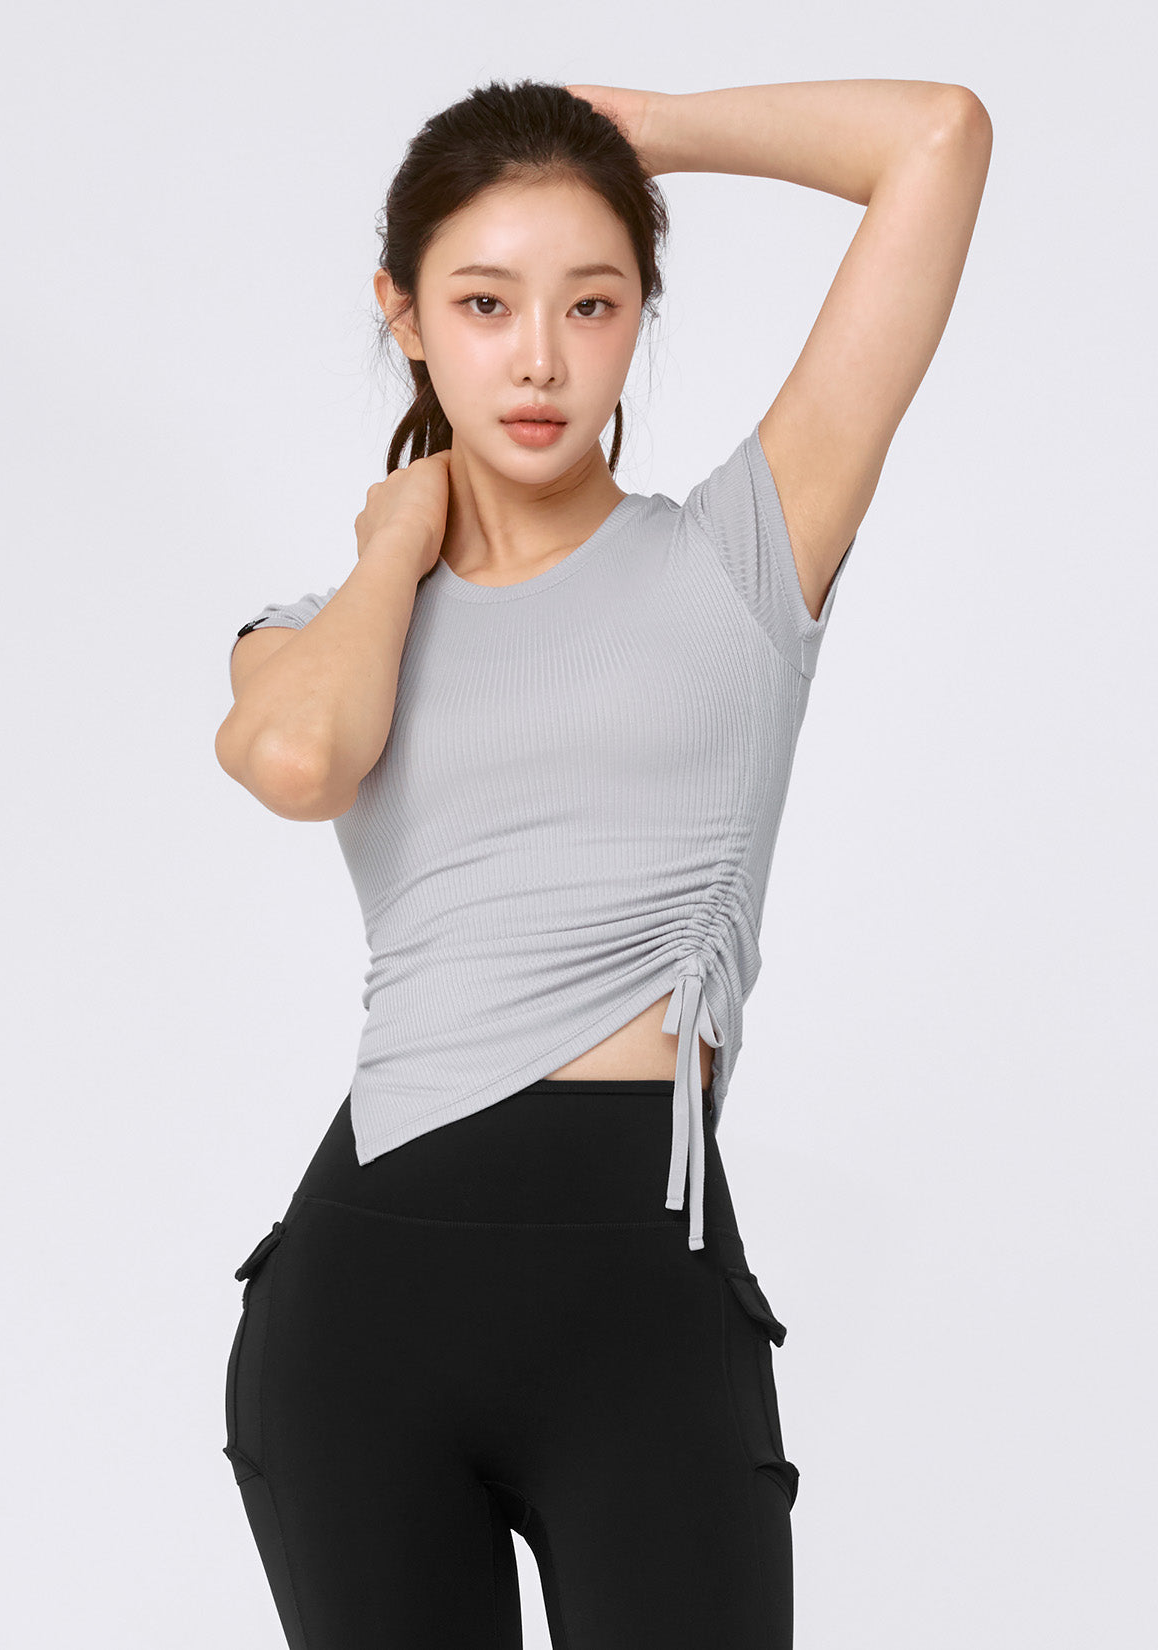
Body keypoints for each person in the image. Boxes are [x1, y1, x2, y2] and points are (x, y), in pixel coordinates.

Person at [214, 76, 992, 1650]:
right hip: (365, 1306)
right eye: (484, 302)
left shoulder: (745, 551)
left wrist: (649, 129)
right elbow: (297, 763)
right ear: (404, 312)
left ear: (643, 312)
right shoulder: (318, 631)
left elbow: (939, 140)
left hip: (645, 1299)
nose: (541, 358)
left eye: (593, 301)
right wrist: (394, 543)